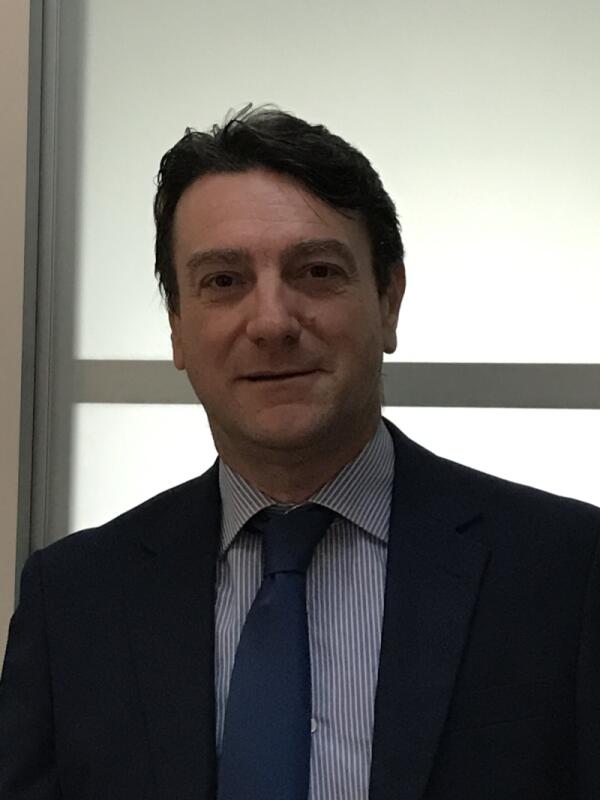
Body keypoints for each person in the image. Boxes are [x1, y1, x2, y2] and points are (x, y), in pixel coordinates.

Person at [1, 105, 599, 800]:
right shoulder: (73, 600)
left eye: (316, 271)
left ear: (389, 300)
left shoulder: (568, 569)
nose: (272, 322)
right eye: (223, 281)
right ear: (176, 330)